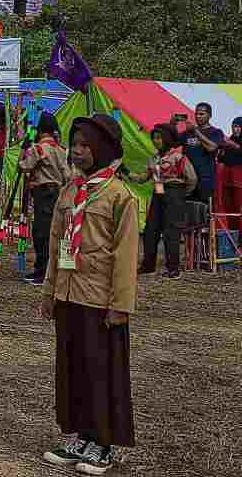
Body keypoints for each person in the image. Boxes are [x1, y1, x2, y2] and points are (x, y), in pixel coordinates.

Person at [38, 114, 138, 475]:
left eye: (85, 146)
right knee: (72, 368)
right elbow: (56, 246)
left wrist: (120, 305)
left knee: (101, 372)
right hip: (69, 295)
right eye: (74, 144)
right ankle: (79, 435)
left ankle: (103, 444)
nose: (77, 152)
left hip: (101, 300)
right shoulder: (70, 191)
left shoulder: (119, 196)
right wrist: (49, 293)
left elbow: (126, 256)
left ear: (102, 150)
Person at [128, 123, 195, 279]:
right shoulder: (154, 158)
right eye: (154, 138)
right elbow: (143, 178)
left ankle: (173, 269)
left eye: (159, 138)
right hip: (158, 192)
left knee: (171, 232)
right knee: (151, 230)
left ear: (167, 139)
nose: (155, 141)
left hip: (174, 193)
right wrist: (126, 172)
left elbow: (191, 178)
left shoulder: (178, 157)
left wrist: (181, 195)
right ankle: (148, 265)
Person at [18, 112, 70, 286]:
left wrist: (24, 150)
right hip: (58, 193)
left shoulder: (38, 149)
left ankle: (43, 272)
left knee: (41, 234)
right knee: (54, 232)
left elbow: (24, 166)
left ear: (39, 131)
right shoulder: (61, 149)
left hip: (43, 194)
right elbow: (67, 174)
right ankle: (52, 269)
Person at [181, 103, 223, 205]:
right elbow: (171, 142)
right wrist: (172, 124)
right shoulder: (188, 132)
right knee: (186, 211)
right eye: (196, 114)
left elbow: (212, 148)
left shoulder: (215, 132)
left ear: (209, 115)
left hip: (205, 180)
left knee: (203, 212)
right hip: (188, 179)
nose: (198, 116)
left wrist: (196, 132)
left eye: (201, 114)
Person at [218, 118, 242, 232]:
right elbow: (222, 159)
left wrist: (234, 145)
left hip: (239, 179)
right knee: (229, 209)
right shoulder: (230, 140)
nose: (235, 129)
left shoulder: (232, 142)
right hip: (227, 178)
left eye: (238, 126)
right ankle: (234, 235)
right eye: (234, 126)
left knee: (239, 207)